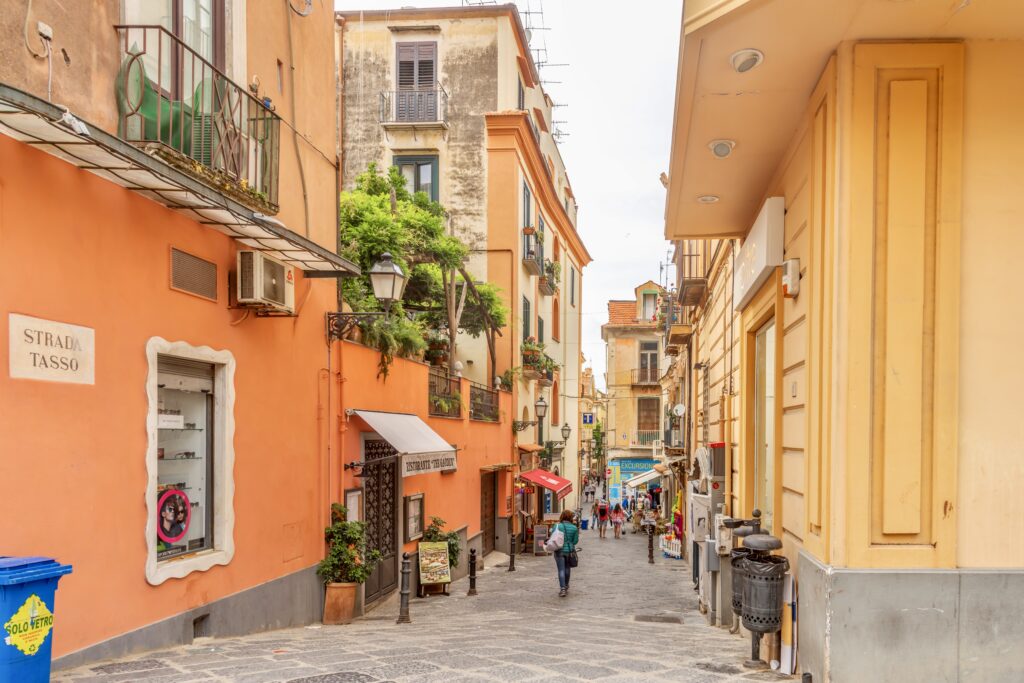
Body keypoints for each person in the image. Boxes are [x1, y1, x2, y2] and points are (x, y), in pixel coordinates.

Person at [545, 509, 579, 597]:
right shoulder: (574, 528)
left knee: (561, 570)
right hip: (569, 551)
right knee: (567, 569)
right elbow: (575, 541)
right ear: (571, 517)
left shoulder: (557, 526)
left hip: (559, 550)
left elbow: (552, 537)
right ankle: (566, 585)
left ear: (562, 516)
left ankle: (562, 589)